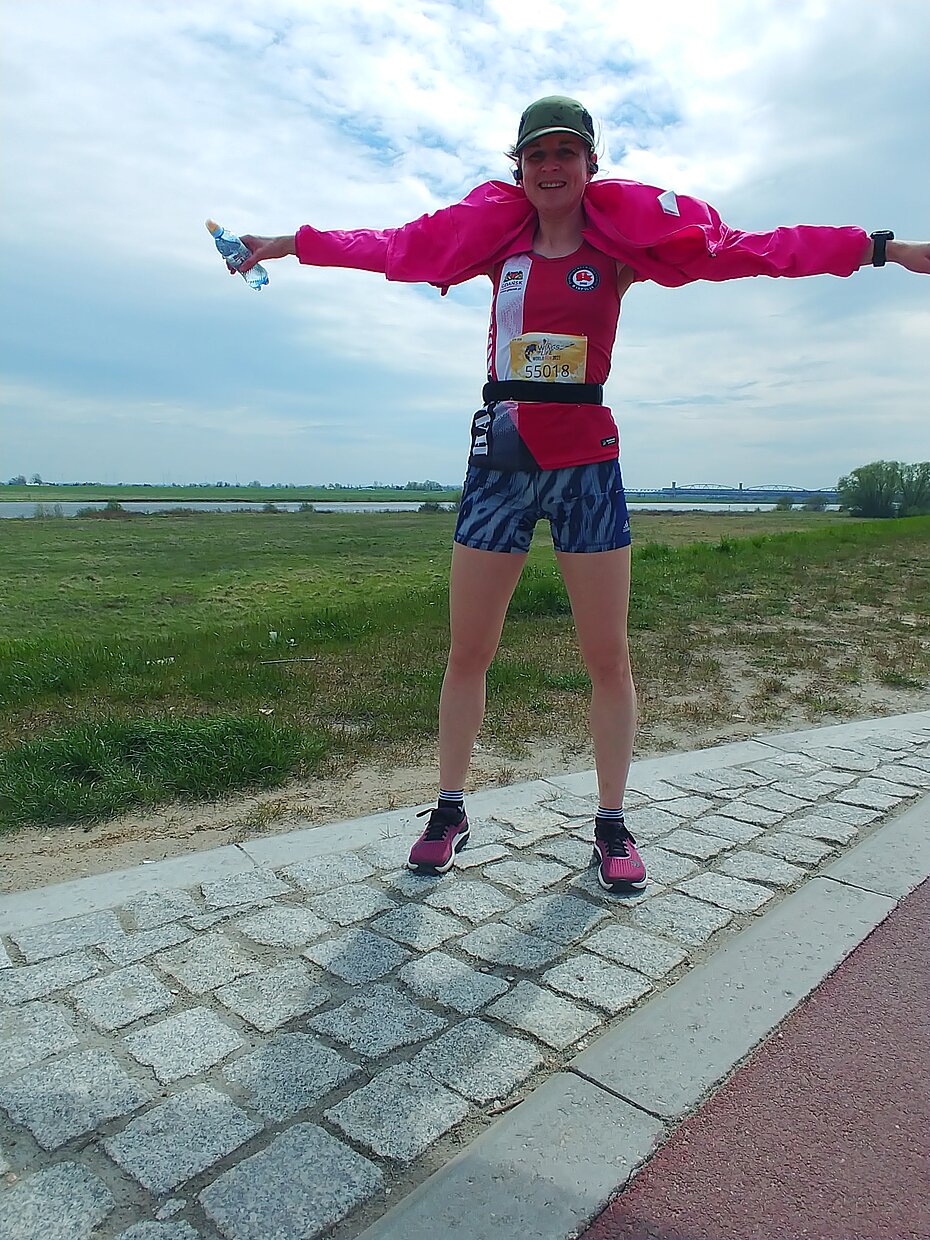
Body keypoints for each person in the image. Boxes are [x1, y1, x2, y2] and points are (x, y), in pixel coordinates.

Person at [233, 96, 930, 893]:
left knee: (607, 655)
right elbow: (393, 245)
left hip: (588, 466)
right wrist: (289, 244)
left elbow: (755, 251)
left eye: (566, 152)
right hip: (500, 463)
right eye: (537, 154)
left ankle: (611, 822)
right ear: (519, 169)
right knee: (469, 650)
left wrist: (885, 249)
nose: (551, 166)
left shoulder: (620, 251)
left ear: (591, 166)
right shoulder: (497, 251)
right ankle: (449, 810)